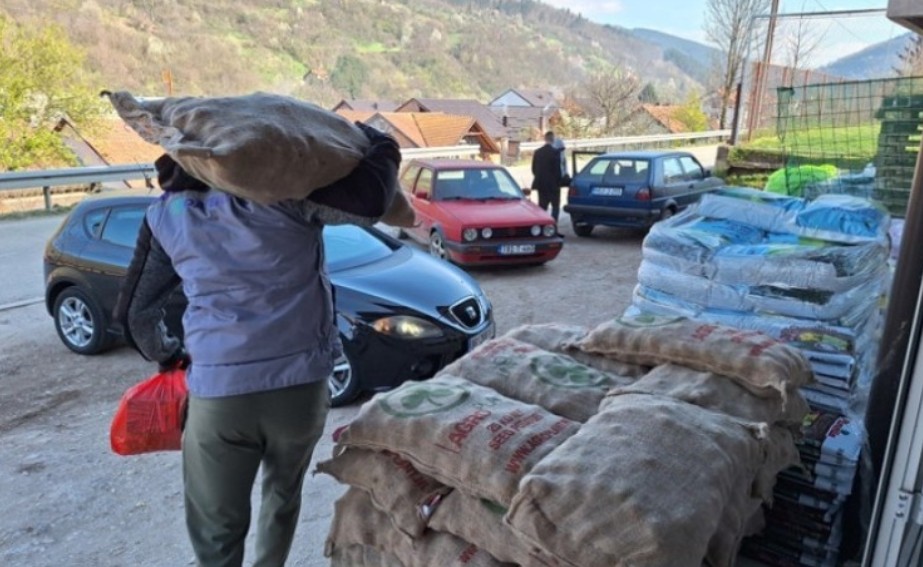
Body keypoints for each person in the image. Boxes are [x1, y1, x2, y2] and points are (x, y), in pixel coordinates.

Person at [114, 123, 402, 567]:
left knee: (217, 529)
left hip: (220, 396)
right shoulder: (292, 195)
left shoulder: (168, 214)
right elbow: (370, 200)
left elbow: (135, 315)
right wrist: (381, 142)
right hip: (301, 389)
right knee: (282, 496)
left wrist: (170, 354)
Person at [531, 130, 565, 232]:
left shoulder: (537, 152)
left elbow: (533, 169)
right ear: (553, 139)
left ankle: (542, 227)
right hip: (553, 185)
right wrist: (559, 182)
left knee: (542, 207)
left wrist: (540, 177)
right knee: (555, 207)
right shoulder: (555, 152)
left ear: (545, 139)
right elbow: (558, 171)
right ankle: (553, 228)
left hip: (541, 184)